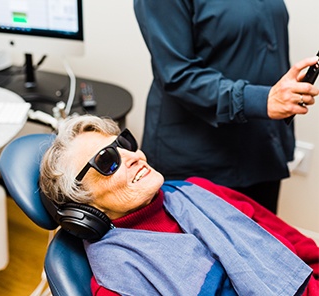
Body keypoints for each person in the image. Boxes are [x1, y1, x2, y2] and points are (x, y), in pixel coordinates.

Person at [39, 115, 319, 296]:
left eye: (124, 144)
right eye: (107, 161)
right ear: (82, 205)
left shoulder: (198, 189)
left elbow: (297, 247)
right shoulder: (119, 284)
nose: (134, 156)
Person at [133, 0, 319, 213]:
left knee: (264, 241)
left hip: (260, 144)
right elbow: (177, 74)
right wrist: (261, 99)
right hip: (201, 156)